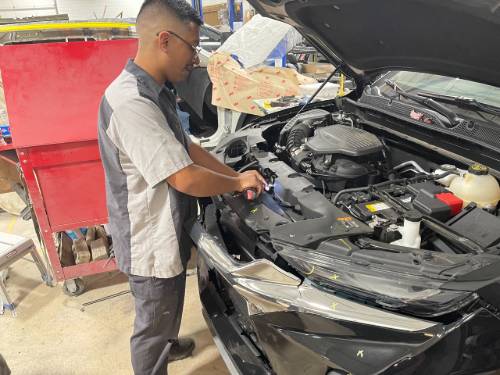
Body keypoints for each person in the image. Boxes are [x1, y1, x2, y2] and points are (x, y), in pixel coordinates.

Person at [97, 0, 266, 374]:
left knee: (164, 307)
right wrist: (236, 182)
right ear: (164, 40)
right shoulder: (132, 102)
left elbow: (187, 147)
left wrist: (233, 175)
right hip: (149, 240)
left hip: (161, 226)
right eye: (192, 46)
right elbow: (185, 176)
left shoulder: (154, 89)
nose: (195, 59)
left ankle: (168, 343)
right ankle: (155, 358)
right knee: (152, 322)